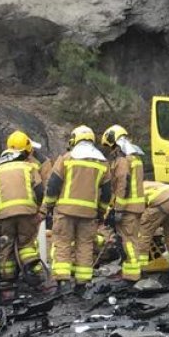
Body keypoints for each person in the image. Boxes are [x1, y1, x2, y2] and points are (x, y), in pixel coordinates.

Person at [43, 125, 110, 292]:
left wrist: (49, 205)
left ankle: (63, 283)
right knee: (85, 246)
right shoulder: (103, 163)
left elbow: (53, 184)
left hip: (65, 212)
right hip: (89, 214)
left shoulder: (66, 159)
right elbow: (107, 192)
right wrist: (101, 212)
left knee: (62, 243)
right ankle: (82, 284)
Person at [0, 146, 45, 298]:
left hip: (4, 215)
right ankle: (35, 274)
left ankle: (7, 281)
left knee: (6, 246)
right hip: (27, 212)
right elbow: (39, 190)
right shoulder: (29, 167)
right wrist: (38, 208)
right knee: (26, 244)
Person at [102, 124, 146, 282]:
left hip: (127, 208)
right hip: (137, 207)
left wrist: (118, 209)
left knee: (128, 242)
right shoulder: (135, 158)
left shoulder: (123, 160)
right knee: (133, 240)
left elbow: (122, 185)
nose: (111, 151)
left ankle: (132, 276)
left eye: (110, 147)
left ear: (115, 143)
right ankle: (133, 272)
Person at [137, 180, 169, 281]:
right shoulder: (146, 184)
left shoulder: (129, 192)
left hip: (160, 200)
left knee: (143, 235)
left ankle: (140, 270)